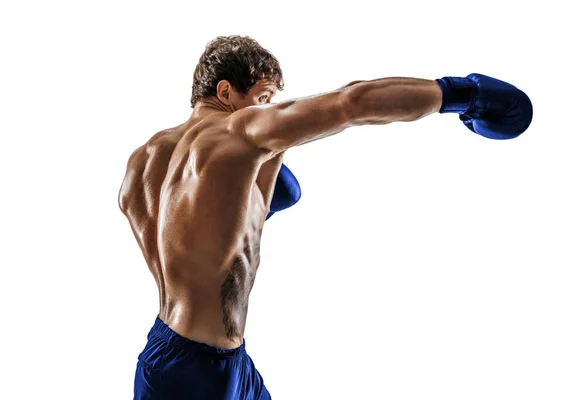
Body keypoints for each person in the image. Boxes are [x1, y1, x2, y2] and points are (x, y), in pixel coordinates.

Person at [119, 35, 533, 400]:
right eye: (263, 98)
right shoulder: (238, 132)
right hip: (200, 375)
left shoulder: (143, 164)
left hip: (175, 356)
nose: (268, 111)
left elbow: (182, 240)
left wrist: (250, 206)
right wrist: (463, 94)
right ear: (226, 91)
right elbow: (352, 103)